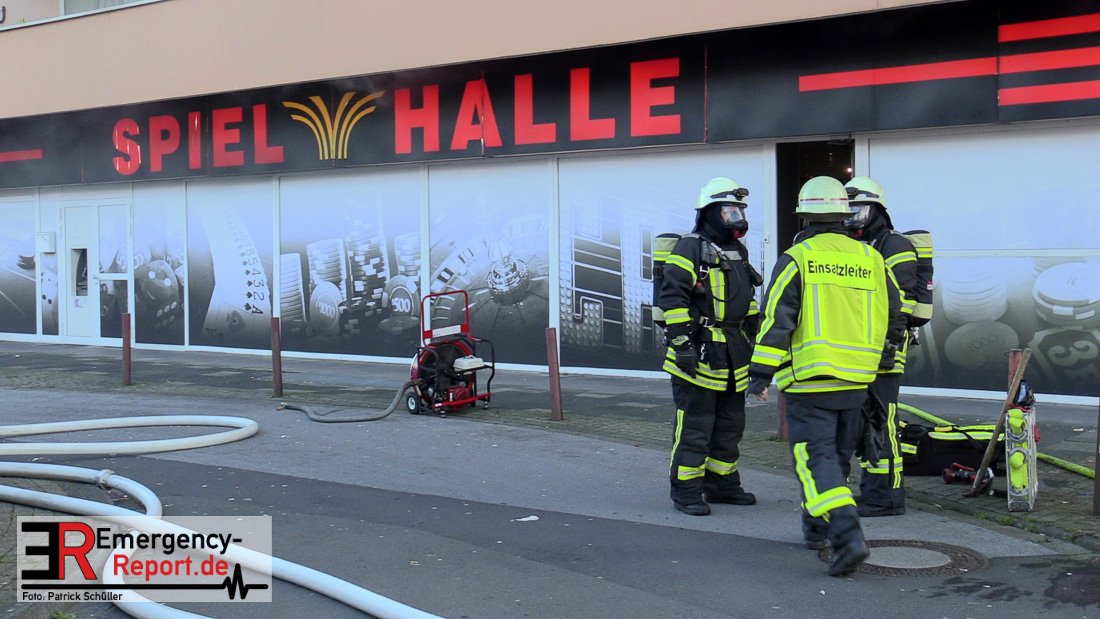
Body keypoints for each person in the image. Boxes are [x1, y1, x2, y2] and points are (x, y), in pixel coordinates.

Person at [746, 176, 905, 576]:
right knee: (836, 458)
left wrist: (760, 375)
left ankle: (847, 536)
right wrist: (883, 356)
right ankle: (816, 530)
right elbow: (895, 312)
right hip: (858, 381)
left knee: (815, 460)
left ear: (804, 217)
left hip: (811, 380)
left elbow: (776, 321)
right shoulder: (872, 259)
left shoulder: (797, 258)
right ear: (844, 216)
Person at [658, 177, 763, 516]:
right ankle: (686, 491)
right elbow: (672, 299)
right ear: (710, 213)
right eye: (729, 211)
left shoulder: (737, 251)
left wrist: (756, 334)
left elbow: (746, 298)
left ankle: (722, 485)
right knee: (696, 426)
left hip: (733, 352)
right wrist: (682, 345)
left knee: (730, 425)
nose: (737, 218)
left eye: (739, 211)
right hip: (699, 351)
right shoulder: (689, 248)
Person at [844, 176, 921, 517]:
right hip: (858, 348)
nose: (853, 217)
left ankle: (888, 496)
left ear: (877, 210)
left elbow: (903, 301)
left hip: (886, 350)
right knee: (863, 422)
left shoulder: (894, 245)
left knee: (882, 420)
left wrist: (889, 344)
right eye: (848, 209)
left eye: (860, 209)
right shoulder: (851, 246)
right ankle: (873, 489)